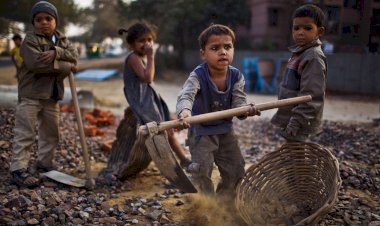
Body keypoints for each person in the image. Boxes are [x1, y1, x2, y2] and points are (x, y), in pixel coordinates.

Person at [176, 24, 260, 196]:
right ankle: (206, 206)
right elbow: (186, 95)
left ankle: (225, 202)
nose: (223, 52)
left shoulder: (236, 76)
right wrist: (185, 111)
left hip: (225, 132)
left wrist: (245, 110)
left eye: (227, 47)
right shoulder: (198, 75)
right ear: (203, 53)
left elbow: (239, 103)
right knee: (201, 170)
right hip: (201, 133)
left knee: (235, 168)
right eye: (215, 48)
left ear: (233, 49)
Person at [10, 1, 79, 188]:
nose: (44, 22)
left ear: (55, 21)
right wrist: (66, 65)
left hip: (52, 95)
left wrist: (57, 51)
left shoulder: (63, 40)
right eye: (39, 19)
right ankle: (18, 170)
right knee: (25, 132)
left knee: (51, 133)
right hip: (31, 94)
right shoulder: (30, 40)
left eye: (48, 18)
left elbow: (75, 56)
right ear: (34, 23)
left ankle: (44, 164)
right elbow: (37, 65)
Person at [118, 22, 191, 168]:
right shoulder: (133, 58)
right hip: (143, 103)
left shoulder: (142, 57)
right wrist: (151, 57)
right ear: (131, 45)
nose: (146, 44)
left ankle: (183, 159)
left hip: (150, 100)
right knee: (160, 132)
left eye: (149, 40)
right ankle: (171, 164)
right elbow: (148, 78)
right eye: (141, 41)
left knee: (168, 129)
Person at [271, 4, 327, 142]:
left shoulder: (313, 57)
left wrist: (297, 121)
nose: (300, 32)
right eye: (296, 28)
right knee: (292, 156)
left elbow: (311, 96)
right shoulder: (300, 53)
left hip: (300, 121)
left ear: (320, 31)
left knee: (297, 157)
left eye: (307, 28)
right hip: (291, 117)